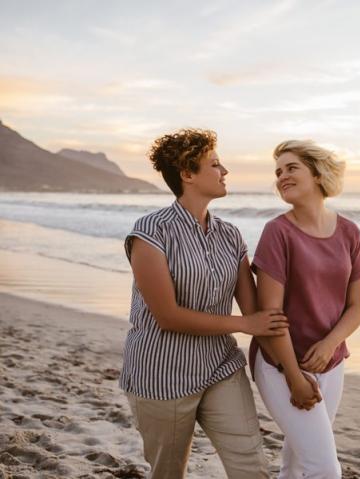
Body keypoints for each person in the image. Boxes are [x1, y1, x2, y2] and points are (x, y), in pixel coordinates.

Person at [120, 128, 287, 479]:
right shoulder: (150, 232)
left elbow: (255, 309)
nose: (225, 171)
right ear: (187, 174)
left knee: (252, 466)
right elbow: (167, 316)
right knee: (168, 472)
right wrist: (245, 325)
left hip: (219, 366)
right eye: (215, 164)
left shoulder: (230, 234)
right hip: (161, 374)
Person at [249, 140, 360, 478]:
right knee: (324, 468)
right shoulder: (277, 232)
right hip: (279, 363)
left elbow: (357, 306)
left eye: (291, 168)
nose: (282, 176)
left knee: (301, 461)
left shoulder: (349, 232)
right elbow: (270, 316)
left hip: (331, 364)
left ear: (317, 174)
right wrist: (293, 374)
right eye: (277, 172)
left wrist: (330, 344)